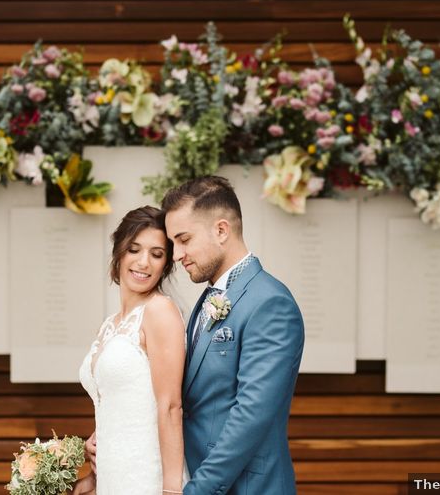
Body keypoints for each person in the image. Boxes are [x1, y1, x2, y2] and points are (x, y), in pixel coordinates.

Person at [85, 176, 305, 494]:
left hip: (246, 486)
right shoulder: (207, 299)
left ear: (220, 230)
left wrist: (195, 490)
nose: (176, 255)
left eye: (184, 240)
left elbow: (251, 415)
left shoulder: (270, 302)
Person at [75, 205, 188, 495]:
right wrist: (94, 463)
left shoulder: (160, 311)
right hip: (113, 477)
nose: (144, 262)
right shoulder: (109, 325)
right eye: (134, 249)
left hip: (146, 477)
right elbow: (117, 405)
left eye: (156, 254)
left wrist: (172, 491)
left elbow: (171, 407)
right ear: (119, 253)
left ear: (166, 264)